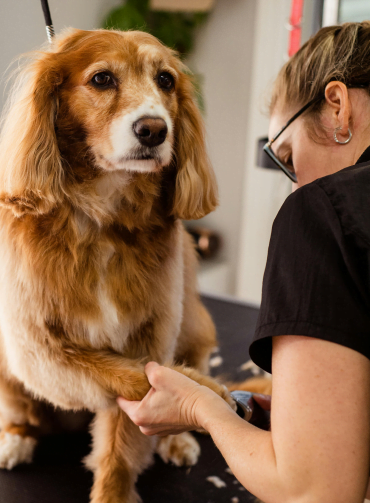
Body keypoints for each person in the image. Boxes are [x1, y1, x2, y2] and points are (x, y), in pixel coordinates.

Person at [117, 21, 370, 503]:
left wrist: (199, 408)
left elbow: (315, 493)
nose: (296, 187)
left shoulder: (321, 210)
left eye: (289, 158)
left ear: (338, 106)